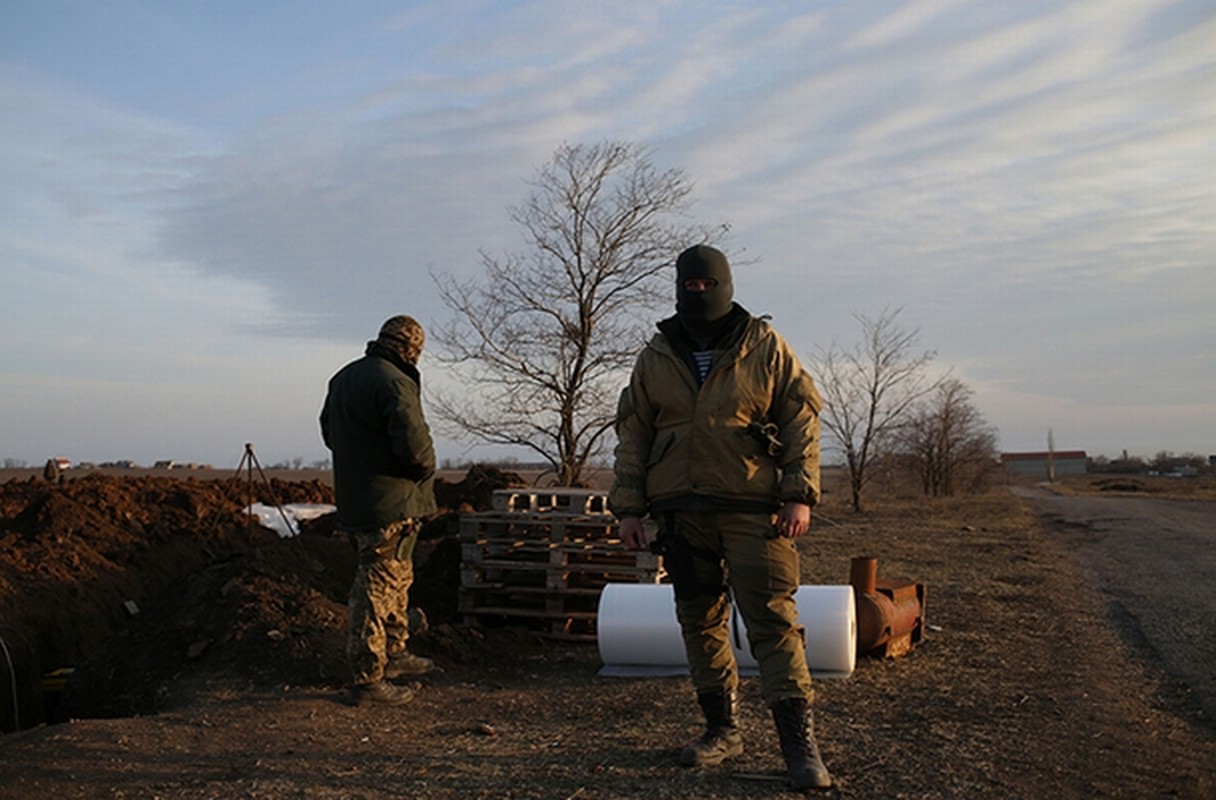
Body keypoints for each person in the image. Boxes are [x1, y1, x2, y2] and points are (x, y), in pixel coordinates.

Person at [608, 245, 832, 790]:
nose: (699, 292)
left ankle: (801, 750)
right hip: (681, 512)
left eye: (709, 284)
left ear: (725, 284)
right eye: (691, 284)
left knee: (774, 624)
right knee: (699, 620)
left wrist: (797, 494)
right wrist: (629, 507)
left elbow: (800, 419)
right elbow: (634, 432)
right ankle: (721, 730)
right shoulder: (657, 354)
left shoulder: (764, 347)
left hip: (754, 510)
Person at [320, 315, 439, 707]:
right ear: (411, 350)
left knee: (397, 577)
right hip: (391, 501)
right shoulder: (394, 381)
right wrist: (423, 469)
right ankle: (368, 677)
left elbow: (328, 432)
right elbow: (416, 448)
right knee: (376, 585)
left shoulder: (344, 378)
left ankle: (395, 654)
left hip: (361, 497)